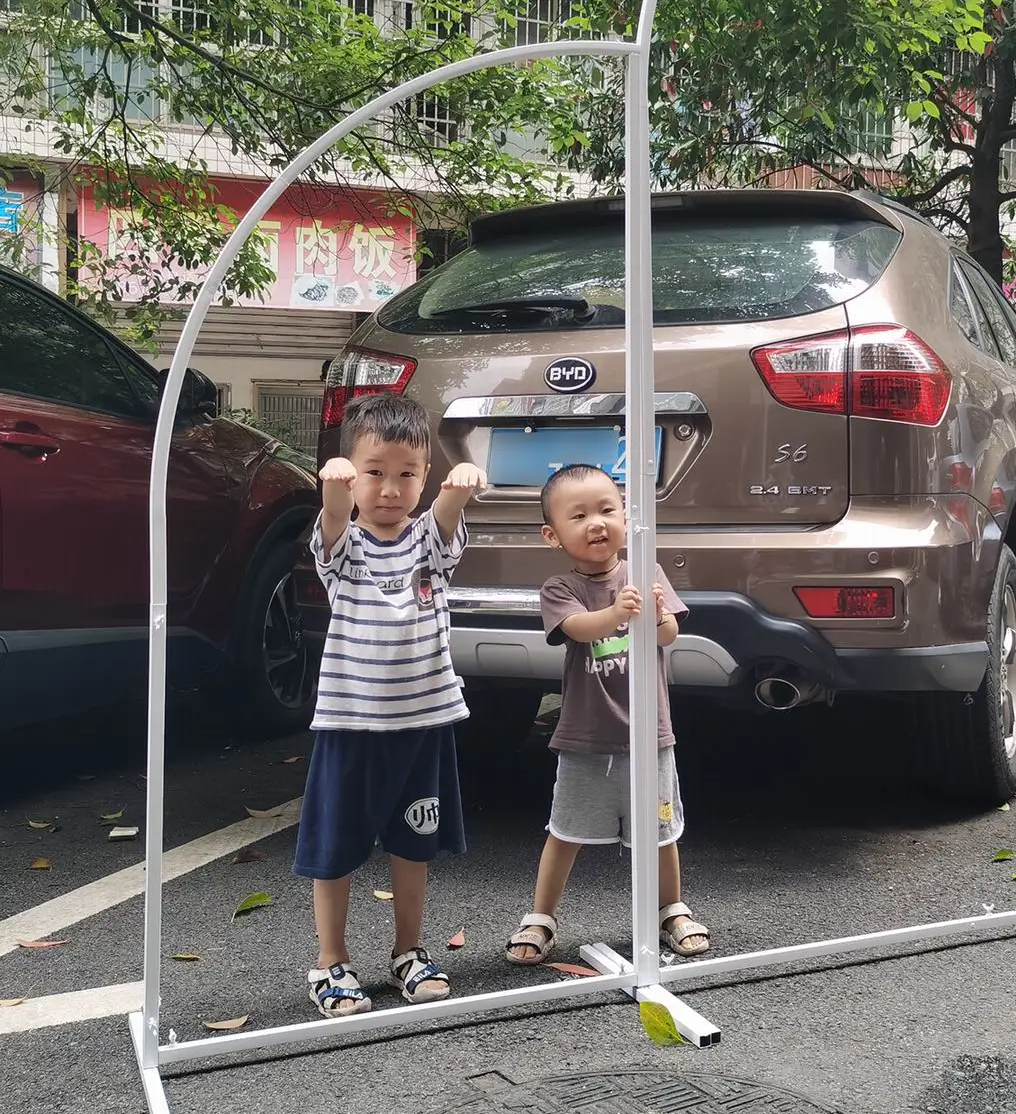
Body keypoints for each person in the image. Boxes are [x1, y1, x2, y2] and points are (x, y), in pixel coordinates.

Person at [293, 392, 484, 1018]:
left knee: (414, 841)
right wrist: (335, 487)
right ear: (352, 472)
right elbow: (331, 521)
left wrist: (459, 483)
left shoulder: (428, 541)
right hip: (351, 722)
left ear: (424, 476)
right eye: (373, 472)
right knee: (335, 845)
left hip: (423, 721)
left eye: (408, 474)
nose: (390, 488)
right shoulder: (344, 545)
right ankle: (331, 960)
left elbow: (447, 517)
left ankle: (409, 950)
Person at [504, 463, 710, 965]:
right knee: (565, 830)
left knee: (660, 831)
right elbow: (578, 628)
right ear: (553, 535)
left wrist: (657, 614)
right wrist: (617, 614)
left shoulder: (646, 571)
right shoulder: (560, 588)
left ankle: (671, 908)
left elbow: (668, 635)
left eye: (606, 510)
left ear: (626, 518)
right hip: (586, 736)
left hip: (650, 733)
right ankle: (541, 916)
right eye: (579, 516)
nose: (596, 523)